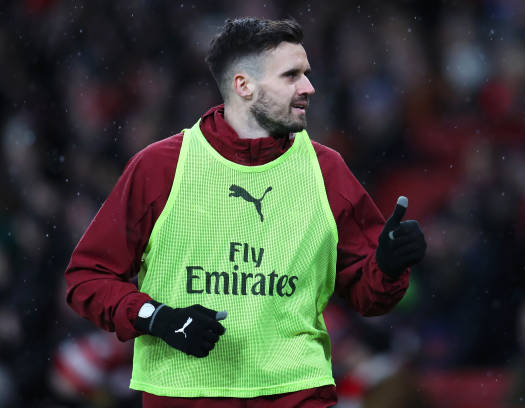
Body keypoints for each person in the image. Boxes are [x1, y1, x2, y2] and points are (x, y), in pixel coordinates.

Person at [65, 17, 426, 408]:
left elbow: (369, 296)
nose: (309, 88)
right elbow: (87, 277)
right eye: (291, 76)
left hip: (298, 395)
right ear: (244, 85)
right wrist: (157, 317)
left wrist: (388, 267)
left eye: (306, 74)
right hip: (187, 397)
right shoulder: (159, 169)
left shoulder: (328, 171)